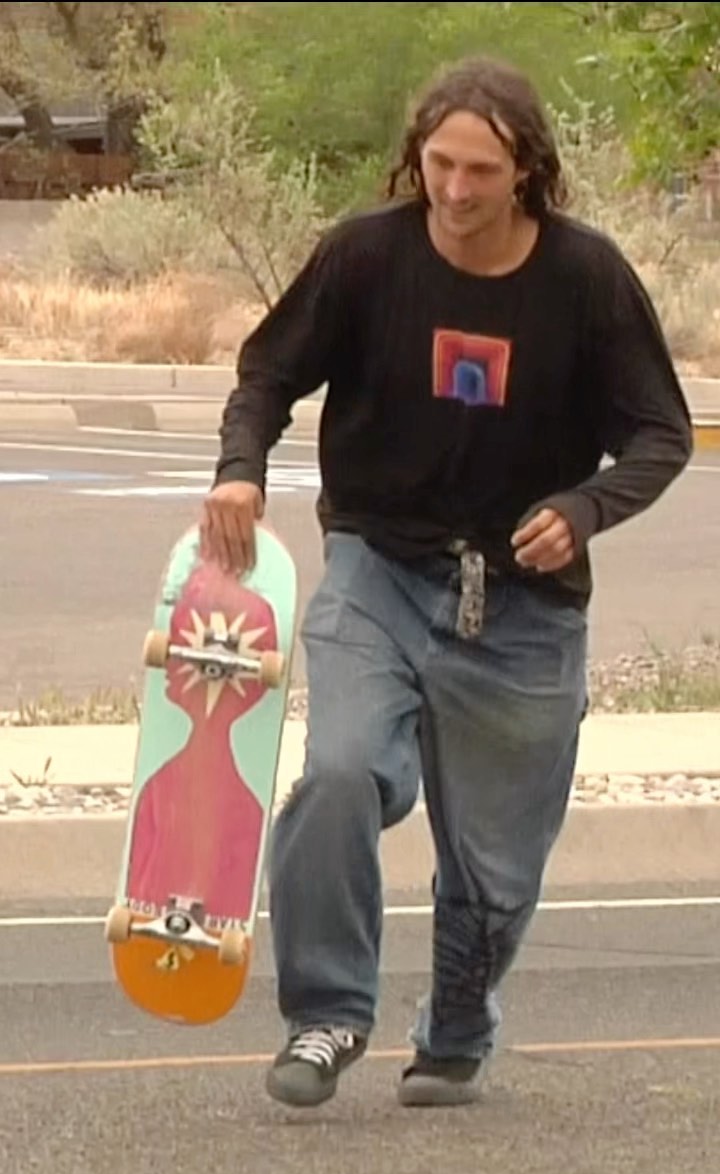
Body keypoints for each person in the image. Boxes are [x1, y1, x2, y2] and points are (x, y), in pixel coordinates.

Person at [200, 55, 692, 1109]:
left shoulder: (586, 279)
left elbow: (663, 431)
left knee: (495, 871)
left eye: (481, 171)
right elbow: (267, 373)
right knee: (338, 773)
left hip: (524, 605)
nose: (456, 191)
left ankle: (457, 1029)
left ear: (528, 171)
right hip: (379, 567)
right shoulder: (365, 258)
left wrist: (586, 507)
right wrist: (241, 469)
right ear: (415, 157)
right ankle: (328, 1012)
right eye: (439, 165)